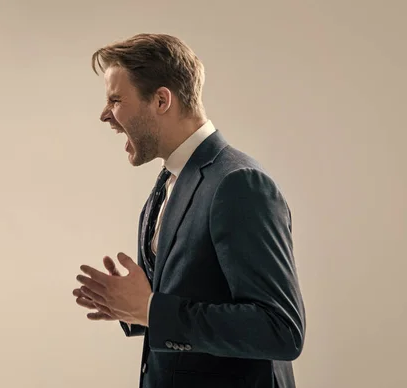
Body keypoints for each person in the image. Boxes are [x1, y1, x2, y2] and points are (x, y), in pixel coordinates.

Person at [72, 33, 306, 388]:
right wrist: (129, 306)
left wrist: (150, 309)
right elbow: (191, 292)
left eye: (116, 99)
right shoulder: (171, 178)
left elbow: (280, 329)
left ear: (162, 100)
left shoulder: (239, 183)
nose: (105, 114)